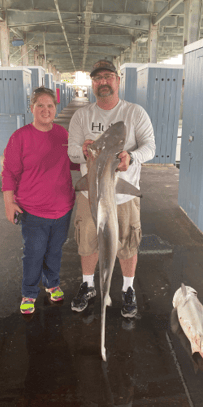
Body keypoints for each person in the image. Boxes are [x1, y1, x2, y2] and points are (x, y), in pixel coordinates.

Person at [68, 60, 155, 318]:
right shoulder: (82, 115)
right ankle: (89, 284)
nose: (103, 82)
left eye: (108, 77)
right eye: (97, 78)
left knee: (127, 243)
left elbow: (150, 147)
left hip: (124, 195)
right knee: (88, 241)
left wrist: (132, 156)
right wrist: (83, 151)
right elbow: (72, 153)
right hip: (90, 194)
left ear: (117, 80)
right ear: (92, 84)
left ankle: (128, 288)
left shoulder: (135, 113)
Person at [2, 87, 77, 315]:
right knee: (34, 252)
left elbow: (75, 163)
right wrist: (8, 202)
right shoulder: (20, 137)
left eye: (50, 106)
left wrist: (93, 154)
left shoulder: (63, 135)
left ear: (56, 109)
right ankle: (29, 291)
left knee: (55, 250)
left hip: (63, 208)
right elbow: (9, 173)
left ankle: (52, 283)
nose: (45, 110)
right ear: (31, 108)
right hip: (32, 210)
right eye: (40, 105)